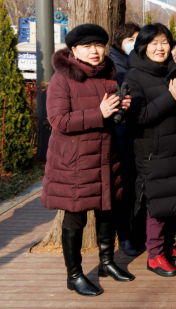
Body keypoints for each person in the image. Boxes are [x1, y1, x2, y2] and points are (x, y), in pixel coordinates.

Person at [42, 23, 134, 297]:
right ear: (73, 50)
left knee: (107, 209)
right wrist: (100, 112)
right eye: (87, 46)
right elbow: (58, 120)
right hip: (75, 161)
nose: (94, 51)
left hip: (105, 155)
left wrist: (121, 108)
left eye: (98, 45)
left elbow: (111, 116)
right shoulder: (62, 78)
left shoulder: (109, 74)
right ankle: (74, 275)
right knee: (75, 217)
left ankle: (107, 263)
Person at [124, 23, 176, 277]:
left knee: (175, 200)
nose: (160, 48)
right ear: (143, 46)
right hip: (154, 151)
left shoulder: (174, 69)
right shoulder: (134, 76)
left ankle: (168, 247)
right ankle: (155, 255)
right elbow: (138, 117)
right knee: (157, 205)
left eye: (165, 43)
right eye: (154, 43)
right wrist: (170, 98)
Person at [108, 21, 145, 257]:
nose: (135, 44)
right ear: (121, 40)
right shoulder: (115, 65)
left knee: (134, 189)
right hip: (121, 137)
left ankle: (133, 233)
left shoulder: (135, 62)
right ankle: (124, 236)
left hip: (136, 135)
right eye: (131, 39)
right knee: (124, 191)